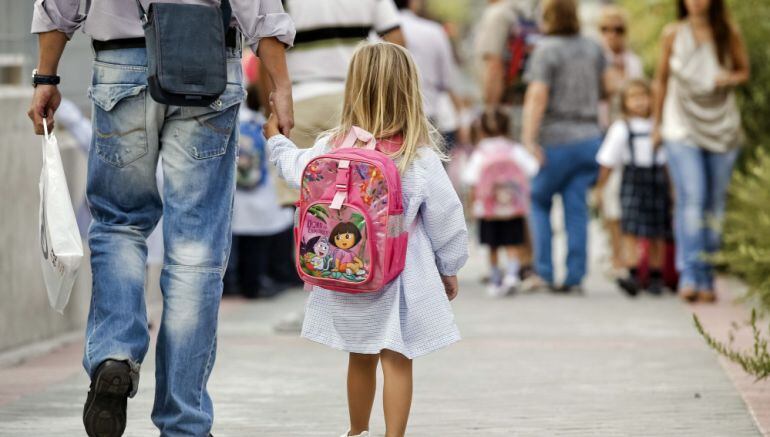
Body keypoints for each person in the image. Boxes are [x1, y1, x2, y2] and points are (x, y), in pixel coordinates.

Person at [28, 1, 295, 435]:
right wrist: (280, 88)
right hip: (207, 66)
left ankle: (115, 350)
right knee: (196, 251)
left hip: (122, 65)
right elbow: (259, 9)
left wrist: (46, 76)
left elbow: (60, 5)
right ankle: (183, 420)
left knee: (119, 223)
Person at [265, 42, 468, 437]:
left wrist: (276, 140)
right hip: (400, 276)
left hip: (349, 272)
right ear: (410, 92)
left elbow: (295, 169)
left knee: (360, 355)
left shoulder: (331, 148)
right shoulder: (418, 158)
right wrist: (450, 267)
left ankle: (356, 432)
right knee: (397, 357)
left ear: (353, 88)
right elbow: (448, 218)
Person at [653, 0, 749, 303]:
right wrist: (656, 124)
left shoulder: (726, 32)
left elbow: (743, 70)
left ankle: (708, 276)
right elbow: (660, 80)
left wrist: (729, 78)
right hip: (681, 125)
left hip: (720, 126)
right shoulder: (672, 33)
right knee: (692, 198)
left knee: (714, 204)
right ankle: (691, 275)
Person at [269, 0, 405, 207]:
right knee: (357, 189)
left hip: (299, 103)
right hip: (355, 101)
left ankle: (306, 239)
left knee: (299, 192)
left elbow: (269, 46)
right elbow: (396, 41)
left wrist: (270, 107)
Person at [521, 0, 610, 293]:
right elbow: (609, 86)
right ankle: (575, 275)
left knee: (539, 200)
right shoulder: (593, 47)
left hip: (555, 137)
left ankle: (544, 270)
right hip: (589, 136)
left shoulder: (547, 49)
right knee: (576, 207)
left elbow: (537, 95)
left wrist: (528, 138)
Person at [596, 80, 671, 297]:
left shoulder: (658, 126)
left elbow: (667, 163)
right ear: (625, 103)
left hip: (656, 178)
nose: (639, 102)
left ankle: (656, 274)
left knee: (658, 231)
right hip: (632, 178)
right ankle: (633, 271)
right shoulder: (621, 128)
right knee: (629, 229)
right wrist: (600, 186)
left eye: (643, 96)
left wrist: (673, 189)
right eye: (633, 97)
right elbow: (607, 161)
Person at [226, 82, 296, 299]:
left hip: (236, 196)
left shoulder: (235, 121)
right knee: (256, 247)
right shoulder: (263, 125)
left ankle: (232, 283)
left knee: (234, 245)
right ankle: (255, 286)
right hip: (262, 196)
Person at [462, 109, 539, 296]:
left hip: (488, 209)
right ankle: (512, 275)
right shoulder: (514, 149)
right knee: (513, 242)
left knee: (493, 245)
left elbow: (470, 179)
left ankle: (496, 279)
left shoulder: (480, 152)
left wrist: (473, 206)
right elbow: (533, 168)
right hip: (513, 207)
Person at [596, 5, 645, 275]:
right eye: (606, 29)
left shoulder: (633, 62)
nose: (612, 35)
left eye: (617, 29)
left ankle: (629, 252)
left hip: (631, 137)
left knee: (627, 196)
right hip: (604, 132)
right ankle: (615, 250)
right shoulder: (596, 59)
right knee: (609, 195)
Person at [395, 0, 460, 149]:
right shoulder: (433, 31)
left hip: (388, 117)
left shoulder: (375, 33)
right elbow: (447, 80)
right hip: (428, 114)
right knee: (432, 166)